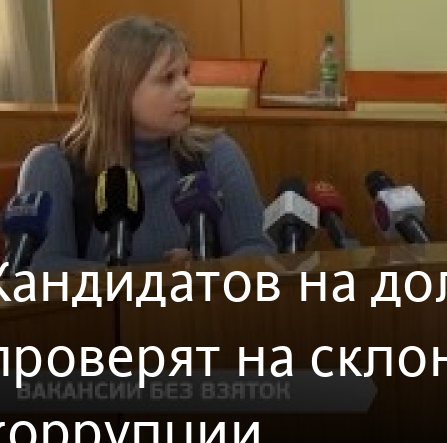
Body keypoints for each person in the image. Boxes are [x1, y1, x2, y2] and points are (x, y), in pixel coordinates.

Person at [18, 15, 274, 271]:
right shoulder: (52, 166)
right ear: (119, 88)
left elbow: (258, 251)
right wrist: (156, 279)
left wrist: (205, 268)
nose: (188, 90)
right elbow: (42, 271)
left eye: (185, 74)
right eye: (168, 78)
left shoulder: (216, 153)